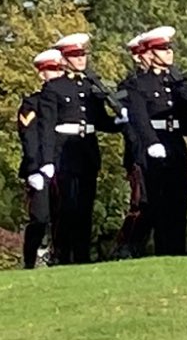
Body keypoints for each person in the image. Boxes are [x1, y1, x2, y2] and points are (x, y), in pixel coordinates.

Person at [37, 33, 121, 264]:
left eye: (83, 54)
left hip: (87, 150)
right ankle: (63, 256)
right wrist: (46, 161)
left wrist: (121, 122)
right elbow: (46, 128)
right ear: (64, 59)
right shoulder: (54, 88)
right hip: (64, 152)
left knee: (85, 206)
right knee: (66, 208)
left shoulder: (90, 86)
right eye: (75, 55)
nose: (81, 58)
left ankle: (82, 256)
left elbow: (101, 121)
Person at [124, 26, 187, 255]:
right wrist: (151, 141)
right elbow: (138, 117)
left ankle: (177, 249)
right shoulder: (139, 84)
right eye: (162, 49)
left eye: (169, 48)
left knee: (180, 199)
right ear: (151, 52)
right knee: (159, 202)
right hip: (156, 145)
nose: (169, 53)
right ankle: (163, 249)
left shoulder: (176, 84)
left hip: (176, 143)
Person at [17, 49, 64, 269]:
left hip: (61, 163)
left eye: (59, 69)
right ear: (42, 74)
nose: (57, 73)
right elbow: (30, 136)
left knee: (62, 215)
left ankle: (60, 257)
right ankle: (29, 261)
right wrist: (34, 168)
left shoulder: (64, 101)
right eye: (52, 69)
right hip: (39, 169)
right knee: (40, 217)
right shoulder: (32, 103)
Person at [112, 34, 153, 259]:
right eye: (147, 53)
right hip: (138, 151)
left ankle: (140, 246)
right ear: (138, 57)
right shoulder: (127, 86)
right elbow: (127, 123)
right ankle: (126, 245)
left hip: (156, 151)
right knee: (140, 201)